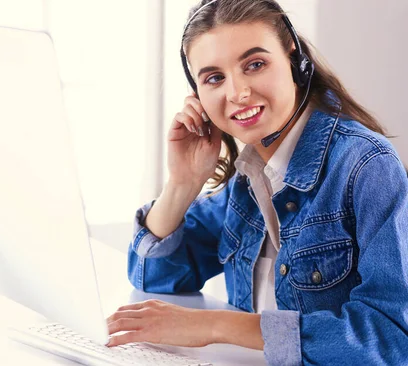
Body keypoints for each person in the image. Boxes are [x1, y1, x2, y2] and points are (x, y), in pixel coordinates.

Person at [105, 0, 408, 364]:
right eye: (214, 78)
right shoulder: (250, 177)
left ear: (294, 59)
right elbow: (154, 276)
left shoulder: (365, 166)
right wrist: (182, 184)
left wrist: (215, 325)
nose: (237, 93)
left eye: (255, 65)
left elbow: (390, 337)